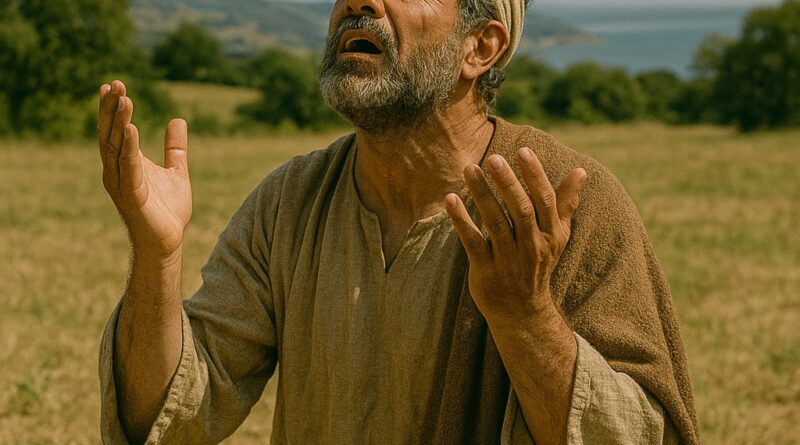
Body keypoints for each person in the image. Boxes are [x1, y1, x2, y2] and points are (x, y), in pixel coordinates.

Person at [98, 0, 700, 443]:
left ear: (480, 47)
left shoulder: (568, 205)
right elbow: (171, 416)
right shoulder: (291, 202)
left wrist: (524, 316)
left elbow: (641, 435)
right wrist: (158, 257)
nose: (357, 4)